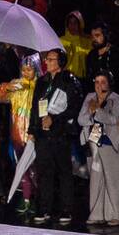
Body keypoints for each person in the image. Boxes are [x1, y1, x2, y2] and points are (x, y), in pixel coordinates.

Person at [28, 48, 82, 225]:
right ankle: (44, 208)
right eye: (47, 59)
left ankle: (66, 209)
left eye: (51, 59)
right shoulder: (42, 81)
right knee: (44, 173)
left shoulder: (69, 80)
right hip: (43, 135)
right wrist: (32, 130)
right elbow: (35, 108)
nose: (47, 62)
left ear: (60, 62)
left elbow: (73, 108)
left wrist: (55, 119)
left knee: (64, 173)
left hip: (60, 134)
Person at [79, 71, 119, 226]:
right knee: (96, 180)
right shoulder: (90, 97)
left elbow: (115, 119)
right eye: (97, 81)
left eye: (103, 82)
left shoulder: (116, 99)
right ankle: (96, 214)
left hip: (112, 144)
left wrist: (97, 112)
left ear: (109, 83)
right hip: (95, 142)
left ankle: (118, 215)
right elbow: (81, 119)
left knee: (114, 181)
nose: (99, 85)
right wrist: (92, 114)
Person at [0, 55, 40, 218]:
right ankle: (26, 199)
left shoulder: (40, 86)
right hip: (16, 135)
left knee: (35, 169)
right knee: (22, 168)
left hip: (34, 135)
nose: (26, 73)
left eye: (30, 69)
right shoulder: (16, 85)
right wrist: (7, 87)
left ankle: (36, 200)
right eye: (24, 69)